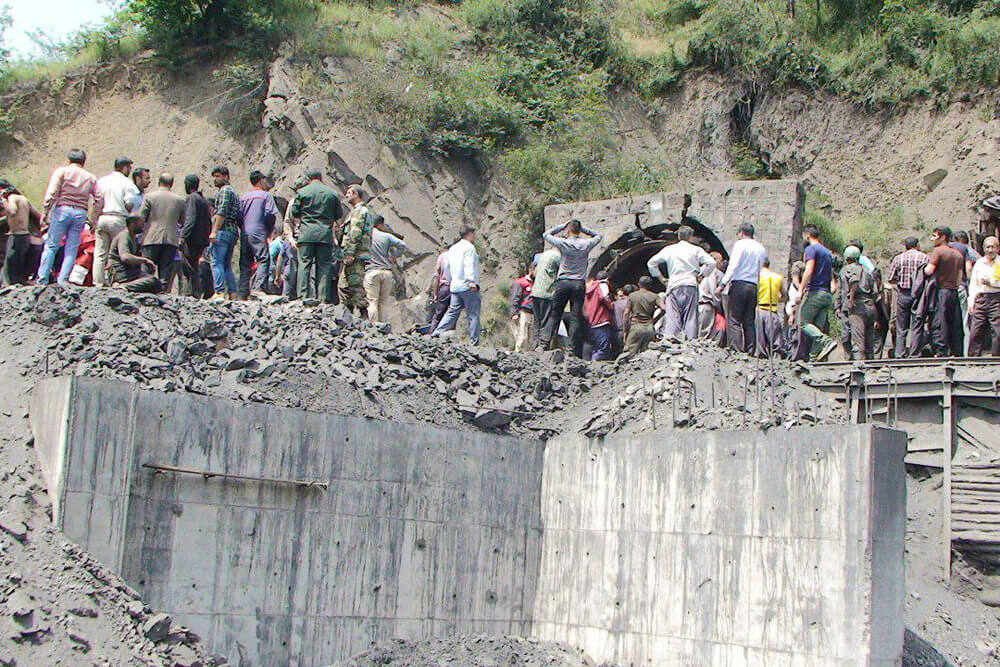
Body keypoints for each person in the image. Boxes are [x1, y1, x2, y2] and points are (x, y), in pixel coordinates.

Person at [38, 149, 103, 286]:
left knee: (51, 245)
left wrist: (45, 212)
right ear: (83, 162)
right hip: (80, 213)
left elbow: (52, 192)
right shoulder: (90, 177)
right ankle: (63, 280)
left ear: (69, 160)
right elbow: (99, 198)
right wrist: (93, 219)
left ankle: (42, 279)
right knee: (71, 248)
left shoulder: (62, 172)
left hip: (62, 210)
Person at [539, 219, 603, 358]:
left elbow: (546, 235)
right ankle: (571, 350)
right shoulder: (586, 244)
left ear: (568, 230)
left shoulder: (564, 243)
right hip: (578, 283)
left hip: (563, 282)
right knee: (575, 317)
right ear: (579, 231)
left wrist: (562, 226)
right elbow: (598, 236)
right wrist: (584, 229)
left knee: (555, 314)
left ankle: (543, 344)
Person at [646, 226, 716, 340]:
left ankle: (670, 340)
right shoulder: (696, 249)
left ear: (678, 236)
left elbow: (651, 263)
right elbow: (711, 263)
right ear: (690, 236)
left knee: (673, 316)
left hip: (674, 284)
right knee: (690, 316)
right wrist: (702, 275)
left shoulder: (669, 249)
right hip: (690, 284)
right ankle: (690, 342)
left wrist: (661, 278)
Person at [287, 169, 343, 303]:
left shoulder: (302, 192)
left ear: (308, 179)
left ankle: (303, 296)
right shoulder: (332, 194)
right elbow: (339, 214)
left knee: (304, 264)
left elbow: (294, 212)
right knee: (324, 266)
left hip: (306, 234)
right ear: (321, 178)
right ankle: (323, 298)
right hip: (325, 235)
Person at [718, 222, 767, 353]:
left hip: (739, 284)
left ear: (741, 233)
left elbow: (733, 266)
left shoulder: (740, 245)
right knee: (749, 320)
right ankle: (751, 349)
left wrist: (722, 284)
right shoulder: (761, 248)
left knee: (734, 319)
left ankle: (736, 349)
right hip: (754, 285)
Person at [792, 224, 838, 361]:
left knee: (803, 322)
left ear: (807, 235)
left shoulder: (811, 249)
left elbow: (809, 270)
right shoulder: (827, 253)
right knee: (817, 327)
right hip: (826, 295)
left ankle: (826, 341)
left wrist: (800, 290)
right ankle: (814, 358)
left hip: (816, 293)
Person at [94, 157, 139, 287]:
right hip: (118, 219)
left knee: (100, 252)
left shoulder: (102, 181)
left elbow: (97, 202)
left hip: (103, 217)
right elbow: (129, 203)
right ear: (124, 167)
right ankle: (116, 280)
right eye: (129, 168)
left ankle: (98, 282)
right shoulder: (127, 183)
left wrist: (94, 219)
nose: (130, 170)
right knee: (119, 253)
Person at [432, 226, 481, 344]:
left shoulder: (453, 248)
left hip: (455, 285)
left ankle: (437, 333)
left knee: (452, 311)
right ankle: (474, 340)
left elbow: (448, 267)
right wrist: (471, 281)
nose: (475, 236)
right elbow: (469, 265)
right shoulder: (469, 248)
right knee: (473, 314)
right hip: (467, 285)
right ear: (469, 234)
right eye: (474, 234)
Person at [138, 173, 185, 290]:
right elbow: (183, 221)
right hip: (170, 239)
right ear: (171, 184)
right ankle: (162, 296)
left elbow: (141, 217)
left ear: (159, 182)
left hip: (151, 238)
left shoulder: (149, 197)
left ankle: (145, 295)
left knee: (147, 271)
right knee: (165, 273)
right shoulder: (179, 200)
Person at [924, 225, 966, 357]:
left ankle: (941, 351)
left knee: (940, 322)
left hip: (942, 290)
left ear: (943, 237)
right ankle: (957, 351)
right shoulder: (958, 254)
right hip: (954, 290)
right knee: (955, 322)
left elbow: (929, 270)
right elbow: (960, 278)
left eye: (935, 236)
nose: (932, 239)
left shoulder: (938, 251)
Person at [238, 170, 279, 299]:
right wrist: (268, 232)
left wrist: (243, 228)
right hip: (259, 231)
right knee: (263, 259)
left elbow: (238, 216)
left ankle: (242, 292)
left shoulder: (243, 197)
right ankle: (258, 288)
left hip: (245, 232)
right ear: (261, 180)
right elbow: (270, 215)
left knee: (245, 262)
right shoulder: (265, 196)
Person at [886, 237, 927, 358]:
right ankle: (915, 353)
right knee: (917, 325)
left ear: (906, 246)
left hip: (903, 294)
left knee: (901, 327)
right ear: (917, 245)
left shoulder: (898, 258)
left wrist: (900, 281)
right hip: (919, 295)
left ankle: (900, 353)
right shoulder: (924, 257)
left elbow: (891, 278)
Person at [838, 246, 878, 360]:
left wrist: (850, 300)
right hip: (870, 306)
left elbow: (849, 285)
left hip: (857, 306)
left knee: (857, 340)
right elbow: (875, 292)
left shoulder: (846, 270)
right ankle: (871, 365)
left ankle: (858, 367)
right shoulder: (867, 270)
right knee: (869, 340)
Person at [365, 219, 408, 323]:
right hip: (387, 273)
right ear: (379, 225)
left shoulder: (366, 236)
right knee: (383, 302)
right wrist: (394, 256)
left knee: (372, 301)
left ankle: (373, 326)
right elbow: (403, 245)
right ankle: (383, 326)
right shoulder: (386, 236)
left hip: (372, 271)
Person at [340, 184, 374, 316]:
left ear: (356, 194)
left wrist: (349, 253)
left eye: (349, 193)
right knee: (344, 285)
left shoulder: (359, 211)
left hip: (356, 255)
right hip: (355, 254)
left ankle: (363, 315)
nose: (346, 195)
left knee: (355, 286)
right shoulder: (356, 211)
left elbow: (355, 233)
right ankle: (347, 316)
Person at [208, 166, 240, 300]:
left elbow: (222, 211)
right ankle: (233, 293)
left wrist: (214, 231)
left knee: (216, 262)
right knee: (226, 264)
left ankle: (219, 291)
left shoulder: (225, 191)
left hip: (223, 230)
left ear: (226, 176)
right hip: (232, 231)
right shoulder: (233, 192)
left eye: (218, 176)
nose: (215, 179)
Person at [108, 213, 162, 293]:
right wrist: (144, 260)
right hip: (120, 272)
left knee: (156, 285)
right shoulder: (124, 236)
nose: (143, 225)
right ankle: (122, 286)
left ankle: (127, 286)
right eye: (141, 223)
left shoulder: (133, 237)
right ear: (132, 223)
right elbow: (125, 257)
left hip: (129, 272)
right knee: (152, 280)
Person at [178, 174, 212, 298]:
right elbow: (209, 221)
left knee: (187, 267)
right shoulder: (203, 200)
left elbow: (190, 219)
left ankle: (189, 294)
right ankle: (196, 293)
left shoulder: (192, 198)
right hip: (201, 240)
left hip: (192, 240)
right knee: (194, 267)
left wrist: (183, 236)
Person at [1, 186, 42, 285]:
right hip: (25, 235)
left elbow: (12, 211)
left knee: (11, 262)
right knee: (18, 261)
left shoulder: (12, 198)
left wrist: (3, 201)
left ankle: (8, 285)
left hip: (16, 235)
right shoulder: (24, 199)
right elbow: (38, 216)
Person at [968, 236, 1000, 356]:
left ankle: (997, 356)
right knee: (976, 329)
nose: (990, 250)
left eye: (993, 246)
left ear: (998, 248)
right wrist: (971, 301)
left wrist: (992, 283)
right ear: (983, 248)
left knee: (997, 329)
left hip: (996, 298)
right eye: (988, 247)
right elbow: (973, 284)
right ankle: (973, 356)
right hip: (981, 298)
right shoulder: (979, 263)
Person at [622, 276, 665, 355]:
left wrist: (625, 330)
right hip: (649, 328)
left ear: (638, 284)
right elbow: (664, 309)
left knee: (628, 354)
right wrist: (654, 320)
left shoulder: (632, 296)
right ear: (650, 286)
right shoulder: (655, 296)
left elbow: (626, 313)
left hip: (636, 326)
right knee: (647, 354)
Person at [755, 258, 786, 358]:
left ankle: (761, 359)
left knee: (760, 340)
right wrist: (775, 300)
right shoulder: (778, 277)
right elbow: (785, 297)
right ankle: (778, 360)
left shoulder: (756, 277)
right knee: (776, 340)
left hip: (759, 310)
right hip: (772, 311)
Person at [531, 246, 561, 349]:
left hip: (535, 292)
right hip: (547, 293)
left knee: (536, 322)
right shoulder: (557, 257)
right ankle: (541, 347)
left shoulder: (542, 255)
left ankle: (534, 345)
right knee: (545, 321)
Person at [584, 270, 615, 360]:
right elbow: (605, 297)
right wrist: (610, 305)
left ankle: (589, 364)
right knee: (603, 349)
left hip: (591, 322)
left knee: (594, 347)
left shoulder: (590, 287)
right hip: (601, 321)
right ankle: (595, 365)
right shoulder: (602, 285)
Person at [698, 251, 725, 339]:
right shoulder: (713, 272)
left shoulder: (700, 270)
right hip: (707, 304)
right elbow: (713, 291)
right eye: (720, 261)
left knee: (699, 331)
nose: (722, 263)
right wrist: (719, 307)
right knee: (705, 334)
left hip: (698, 305)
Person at [509, 265, 534, 352]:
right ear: (531, 270)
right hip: (523, 312)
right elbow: (515, 298)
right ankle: (519, 355)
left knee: (531, 339)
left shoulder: (537, 283)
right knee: (522, 337)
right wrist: (514, 313)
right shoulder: (521, 282)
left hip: (534, 313)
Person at [427, 248, 451, 331]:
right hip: (457, 288)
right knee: (452, 313)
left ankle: (432, 332)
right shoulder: (457, 255)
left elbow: (437, 277)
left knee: (439, 313)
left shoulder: (442, 256)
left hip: (444, 288)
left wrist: (435, 294)